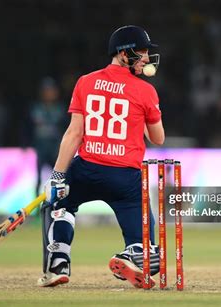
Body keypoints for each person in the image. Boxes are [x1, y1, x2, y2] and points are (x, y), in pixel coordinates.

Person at [38, 25, 165, 289]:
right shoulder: (145, 91)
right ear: (122, 53)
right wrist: (142, 114)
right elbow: (158, 138)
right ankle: (133, 255)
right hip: (126, 178)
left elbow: (73, 134)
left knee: (58, 204)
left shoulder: (85, 81)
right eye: (140, 52)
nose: (145, 58)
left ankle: (58, 261)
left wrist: (57, 177)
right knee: (152, 256)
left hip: (86, 169)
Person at [28, 78, 66, 193]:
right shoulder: (35, 108)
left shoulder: (61, 108)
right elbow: (27, 127)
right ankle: (36, 207)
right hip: (40, 146)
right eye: (46, 90)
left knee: (59, 178)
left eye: (51, 90)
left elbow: (66, 128)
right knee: (38, 178)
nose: (49, 93)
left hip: (55, 147)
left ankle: (58, 205)